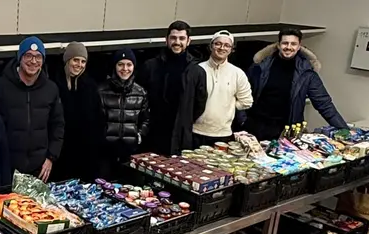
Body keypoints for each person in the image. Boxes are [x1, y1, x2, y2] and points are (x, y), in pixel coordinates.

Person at [244, 27, 348, 142]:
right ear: (278, 45)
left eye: (293, 44)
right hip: (254, 127)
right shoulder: (260, 66)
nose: (288, 47)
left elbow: (324, 104)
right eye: (285, 43)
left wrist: (344, 130)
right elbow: (241, 94)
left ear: (299, 47)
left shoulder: (307, 72)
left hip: (286, 131)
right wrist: (243, 120)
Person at [0, 36, 64, 180]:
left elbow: (58, 125)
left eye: (38, 57)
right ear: (20, 58)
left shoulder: (51, 89)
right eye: (28, 55)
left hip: (39, 168)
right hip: (7, 167)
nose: (33, 61)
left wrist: (50, 158)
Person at [138, 20, 207, 155]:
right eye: (173, 38)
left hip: (180, 136)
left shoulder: (197, 71)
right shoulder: (150, 66)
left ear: (188, 41)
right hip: (153, 132)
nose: (177, 42)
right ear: (166, 40)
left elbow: (200, 103)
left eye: (182, 38)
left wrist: (185, 119)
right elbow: (139, 98)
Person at [192, 30, 254, 147]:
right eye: (218, 44)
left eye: (227, 45)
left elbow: (247, 102)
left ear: (231, 49)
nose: (222, 48)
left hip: (223, 134)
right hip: (195, 132)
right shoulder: (197, 70)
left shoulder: (237, 73)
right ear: (211, 46)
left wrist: (228, 107)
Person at [96, 49, 149, 177]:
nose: (125, 69)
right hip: (106, 153)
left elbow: (146, 120)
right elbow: (95, 120)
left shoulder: (140, 92)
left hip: (130, 153)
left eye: (129, 64)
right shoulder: (101, 90)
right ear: (114, 66)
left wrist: (139, 136)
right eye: (120, 64)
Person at [54, 41, 101, 181]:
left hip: (85, 154)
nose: (79, 65)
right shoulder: (55, 84)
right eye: (76, 60)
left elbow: (97, 120)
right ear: (67, 60)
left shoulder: (90, 86)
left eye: (83, 61)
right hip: (61, 153)